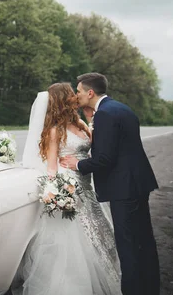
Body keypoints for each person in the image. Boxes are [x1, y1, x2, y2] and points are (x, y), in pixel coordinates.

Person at [60, 72, 160, 295]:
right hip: (138, 183)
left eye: (79, 91)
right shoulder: (121, 108)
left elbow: (105, 159)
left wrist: (78, 165)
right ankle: (150, 287)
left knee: (127, 245)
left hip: (123, 188)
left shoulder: (104, 114)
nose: (77, 95)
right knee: (144, 240)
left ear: (90, 92)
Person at [19, 82, 121, 295]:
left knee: (103, 232)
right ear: (63, 100)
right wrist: (57, 192)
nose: (76, 96)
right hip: (71, 188)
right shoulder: (55, 131)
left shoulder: (82, 124)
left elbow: (97, 151)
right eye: (72, 94)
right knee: (79, 242)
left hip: (88, 187)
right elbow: (51, 167)